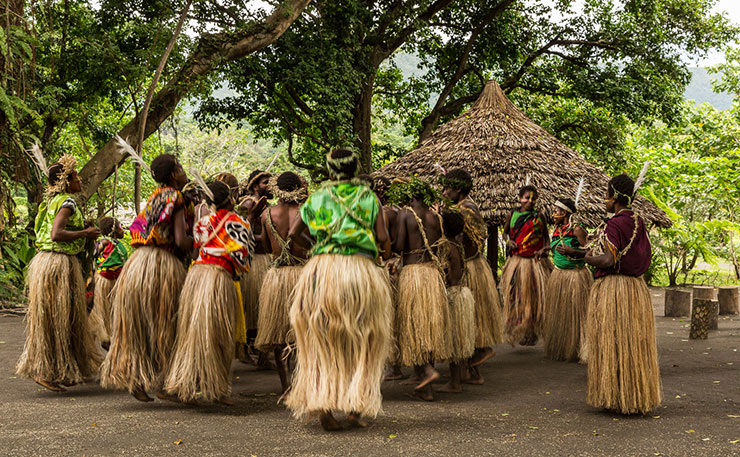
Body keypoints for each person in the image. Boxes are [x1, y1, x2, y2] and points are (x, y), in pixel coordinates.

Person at [285, 148, 392, 431]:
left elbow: (293, 234)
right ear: (355, 170)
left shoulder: (316, 198)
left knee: (322, 336)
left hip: (322, 272)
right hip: (360, 272)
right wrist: (381, 255)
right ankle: (357, 409)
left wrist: (317, 250)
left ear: (330, 171)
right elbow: (382, 237)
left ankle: (325, 407)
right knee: (365, 336)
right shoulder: (369, 198)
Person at [100, 154, 192, 402]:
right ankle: (168, 384)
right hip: (162, 265)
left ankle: (136, 380)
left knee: (138, 325)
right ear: (174, 175)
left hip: (137, 265)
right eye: (181, 168)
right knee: (168, 324)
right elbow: (182, 240)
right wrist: (206, 242)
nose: (184, 173)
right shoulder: (176, 197)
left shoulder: (155, 196)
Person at [16, 155, 101, 392]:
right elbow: (56, 234)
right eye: (76, 176)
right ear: (66, 181)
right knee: (57, 317)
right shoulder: (67, 203)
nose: (80, 180)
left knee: (58, 317)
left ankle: (60, 369)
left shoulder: (50, 202)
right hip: (57, 264)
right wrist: (85, 233)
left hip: (46, 263)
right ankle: (44, 370)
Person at [164, 180, 253, 405]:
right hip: (219, 279)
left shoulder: (202, 221)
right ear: (231, 199)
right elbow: (243, 258)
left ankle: (186, 384)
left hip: (197, 276)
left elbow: (195, 250)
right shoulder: (240, 222)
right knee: (221, 334)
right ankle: (219, 389)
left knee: (192, 333)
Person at [584, 173, 661, 414]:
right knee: (632, 343)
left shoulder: (615, 223)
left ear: (614, 196)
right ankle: (632, 396)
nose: (604, 198)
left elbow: (608, 259)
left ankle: (616, 396)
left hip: (615, 289)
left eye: (606, 193)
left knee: (614, 341)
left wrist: (588, 258)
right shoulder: (638, 220)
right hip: (635, 290)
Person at [390, 177, 452, 402]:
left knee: (415, 326)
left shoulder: (406, 215)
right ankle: (426, 383)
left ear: (411, 194)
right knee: (429, 327)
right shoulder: (436, 216)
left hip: (414, 275)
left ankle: (425, 375)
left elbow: (399, 245)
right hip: (432, 275)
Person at [441, 169, 503, 383]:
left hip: (468, 267)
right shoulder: (467, 205)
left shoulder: (465, 210)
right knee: (474, 318)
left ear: (458, 189)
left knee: (469, 319)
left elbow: (460, 239)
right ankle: (472, 372)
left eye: (447, 188)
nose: (444, 191)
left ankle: (480, 353)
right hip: (475, 265)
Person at [255, 171, 309, 393]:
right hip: (303, 274)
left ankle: (286, 385)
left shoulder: (267, 214)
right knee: (305, 332)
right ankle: (303, 381)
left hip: (277, 278)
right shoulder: (306, 212)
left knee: (278, 333)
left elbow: (268, 249)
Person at [542, 198, 592, 362]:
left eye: (556, 210)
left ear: (564, 212)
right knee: (561, 314)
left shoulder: (577, 229)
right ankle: (563, 347)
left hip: (576, 276)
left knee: (576, 314)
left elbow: (590, 252)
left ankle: (577, 348)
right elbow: (556, 247)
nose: (553, 213)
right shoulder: (556, 228)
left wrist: (573, 252)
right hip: (559, 277)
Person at [500, 185, 549, 346]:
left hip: (534, 263)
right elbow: (505, 232)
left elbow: (546, 239)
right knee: (517, 296)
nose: (530, 201)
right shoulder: (512, 215)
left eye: (533, 198)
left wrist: (544, 249)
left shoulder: (539, 217)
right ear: (519, 198)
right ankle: (518, 329)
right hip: (517, 261)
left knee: (534, 297)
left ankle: (532, 332)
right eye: (526, 198)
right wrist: (509, 241)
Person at [236, 169, 274, 367]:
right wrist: (266, 238)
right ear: (254, 185)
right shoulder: (248, 204)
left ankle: (262, 355)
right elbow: (241, 231)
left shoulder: (270, 206)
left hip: (265, 261)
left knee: (263, 309)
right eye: (266, 182)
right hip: (253, 261)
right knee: (250, 309)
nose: (270, 185)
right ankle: (244, 351)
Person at [438, 210, 476, 393]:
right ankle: (461, 375)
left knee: (454, 340)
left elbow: (446, 271)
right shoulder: (458, 244)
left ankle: (454, 382)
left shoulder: (447, 247)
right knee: (461, 339)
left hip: (453, 294)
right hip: (463, 293)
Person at [89, 217, 128, 350]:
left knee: (112, 311)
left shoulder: (119, 244)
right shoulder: (105, 242)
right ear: (114, 229)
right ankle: (102, 337)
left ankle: (111, 337)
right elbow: (92, 255)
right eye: (120, 226)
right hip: (104, 282)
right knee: (102, 311)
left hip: (116, 283)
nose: (123, 229)